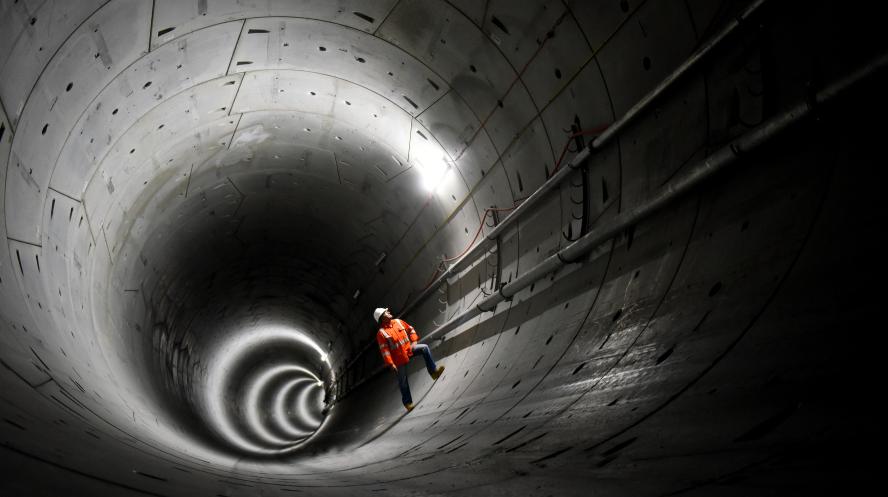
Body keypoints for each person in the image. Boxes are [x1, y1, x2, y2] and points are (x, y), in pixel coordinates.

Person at [374, 308, 444, 411]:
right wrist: (391, 364)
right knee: (403, 380)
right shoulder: (381, 333)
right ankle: (408, 403)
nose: (389, 312)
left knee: (424, 348)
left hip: (409, 350)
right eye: (386, 312)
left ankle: (434, 372)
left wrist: (414, 341)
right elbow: (385, 351)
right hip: (398, 359)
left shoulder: (398, 322)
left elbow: (410, 329)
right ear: (382, 318)